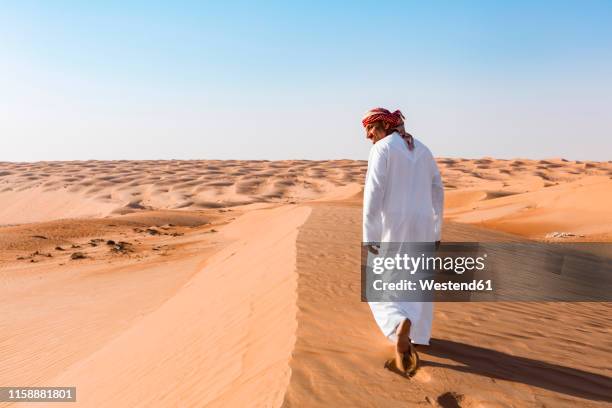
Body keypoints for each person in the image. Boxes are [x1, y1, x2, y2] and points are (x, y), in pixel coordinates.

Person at [361, 107, 444, 376]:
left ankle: (398, 323)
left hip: (391, 225)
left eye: (371, 128)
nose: (367, 135)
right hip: (422, 224)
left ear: (385, 125)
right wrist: (436, 230)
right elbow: (437, 190)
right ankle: (418, 334)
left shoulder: (383, 149)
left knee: (378, 282)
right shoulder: (423, 149)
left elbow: (373, 193)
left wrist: (369, 235)